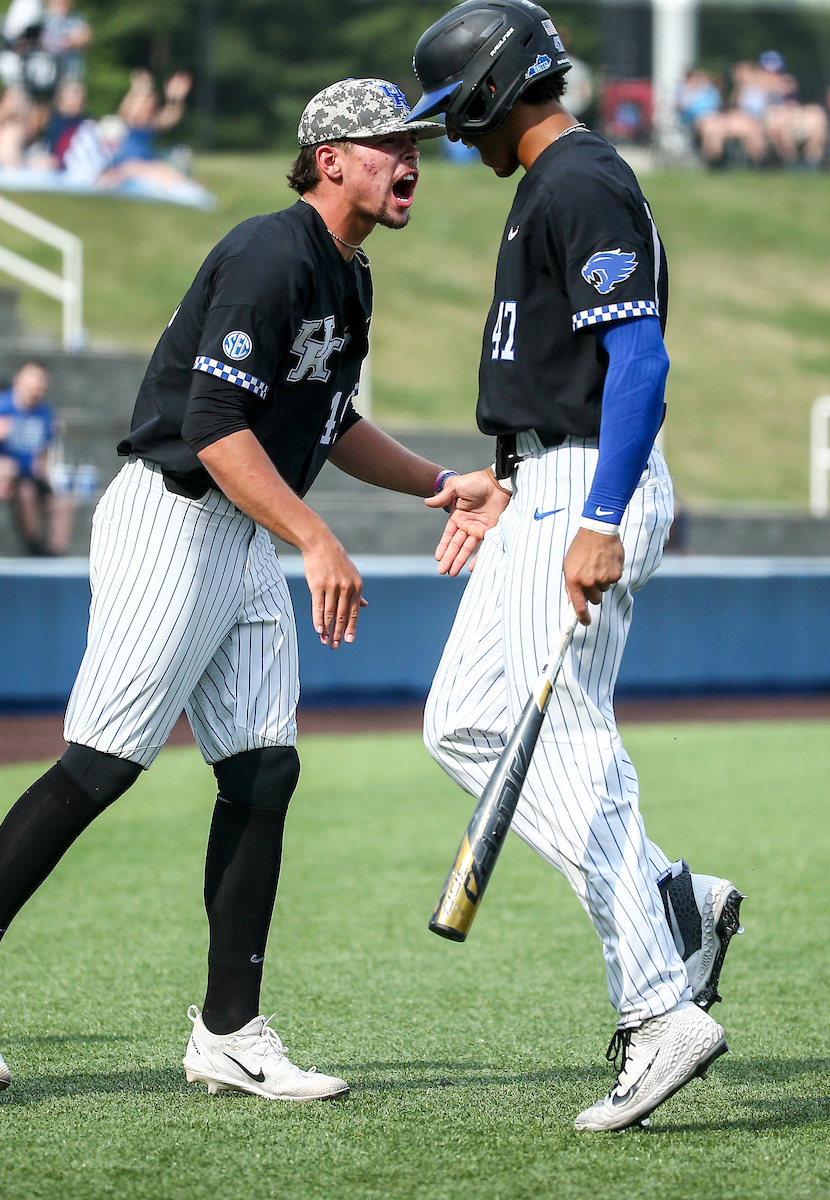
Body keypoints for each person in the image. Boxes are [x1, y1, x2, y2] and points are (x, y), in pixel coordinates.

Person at [0, 78, 450, 1100]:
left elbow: (327, 424)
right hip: (174, 513)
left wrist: (439, 483)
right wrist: (317, 537)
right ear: (331, 158)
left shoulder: (350, 276)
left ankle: (229, 1033)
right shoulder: (268, 251)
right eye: (390, 143)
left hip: (242, 531)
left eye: (414, 142)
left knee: (263, 775)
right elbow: (212, 426)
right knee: (103, 763)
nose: (411, 158)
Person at [407, 0, 745, 1132]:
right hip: (545, 481)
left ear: (498, 91)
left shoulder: (582, 179)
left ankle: (658, 1007)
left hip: (589, 487)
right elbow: (564, 367)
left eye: (458, 108)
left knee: (569, 736)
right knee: (462, 719)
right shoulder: (549, 185)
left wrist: (597, 513)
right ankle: (672, 901)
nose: (454, 132)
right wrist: (510, 477)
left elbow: (641, 362)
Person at [0, 362, 73, 556]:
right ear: (18, 382)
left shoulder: (46, 413)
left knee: (64, 501)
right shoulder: (0, 405)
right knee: (25, 492)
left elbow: (44, 452)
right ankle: (34, 543)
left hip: (30, 472)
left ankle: (57, 550)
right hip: (7, 471)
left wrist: (45, 476)